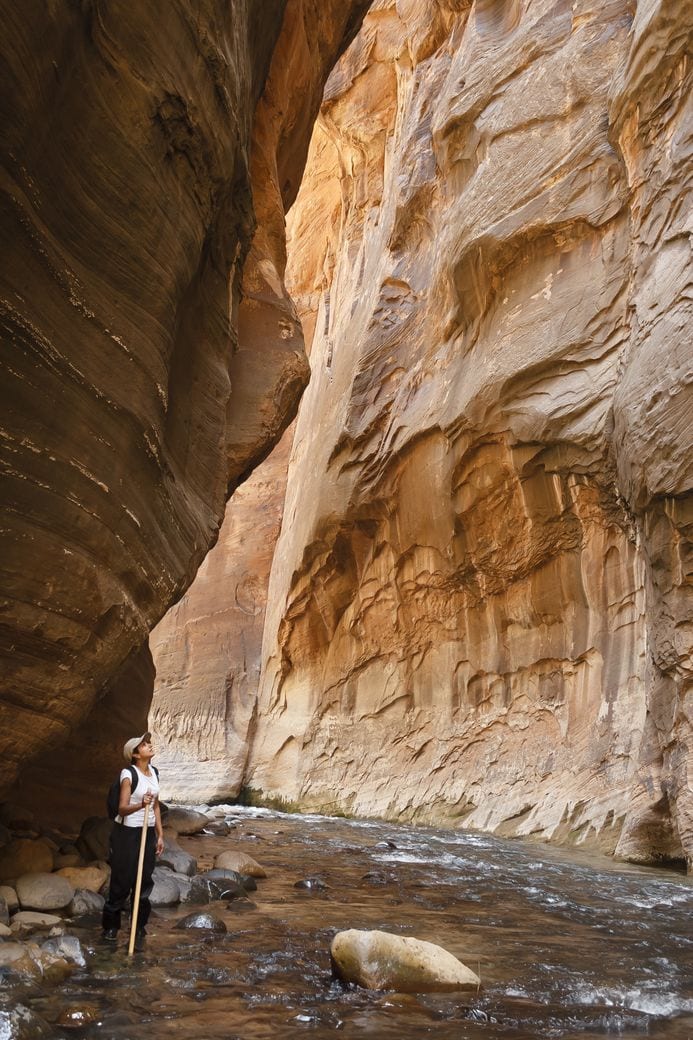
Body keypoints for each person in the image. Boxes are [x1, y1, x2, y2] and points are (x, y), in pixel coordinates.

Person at [101, 732, 164, 950]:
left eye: (148, 743)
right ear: (136, 754)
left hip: (147, 832)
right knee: (121, 879)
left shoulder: (154, 773)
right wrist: (141, 804)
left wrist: (160, 835)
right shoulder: (128, 774)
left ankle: (138, 925)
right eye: (144, 745)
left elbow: (155, 805)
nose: (149, 745)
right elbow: (122, 808)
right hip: (126, 833)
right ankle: (111, 927)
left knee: (145, 879)